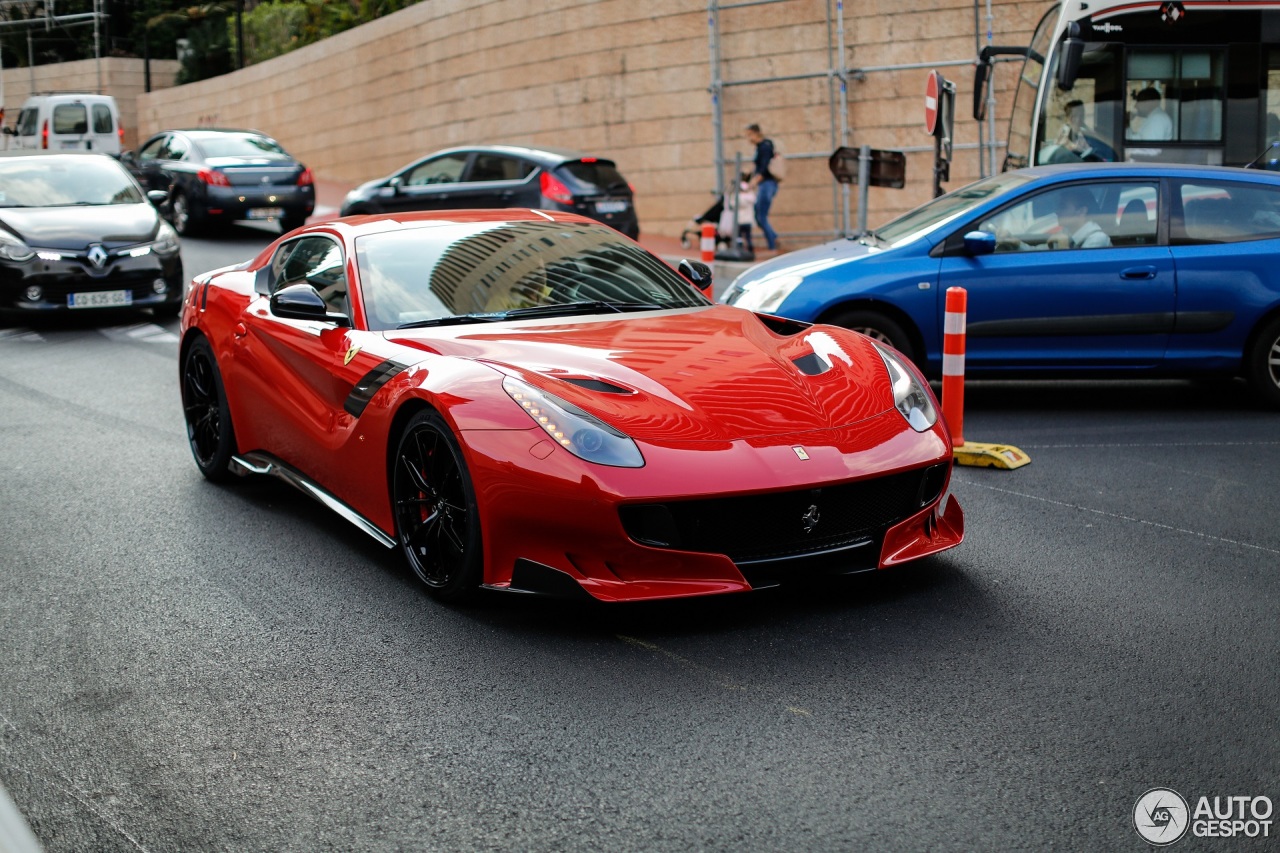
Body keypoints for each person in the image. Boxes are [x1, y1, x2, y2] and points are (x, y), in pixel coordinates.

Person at [744, 123, 780, 253]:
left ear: (755, 133)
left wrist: (754, 181)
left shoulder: (765, 146)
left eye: (749, 135)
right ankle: (773, 238)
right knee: (758, 215)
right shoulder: (761, 147)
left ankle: (772, 246)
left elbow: (764, 168)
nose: (748, 138)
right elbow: (757, 165)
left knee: (761, 216)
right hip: (765, 184)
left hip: (767, 184)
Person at [718, 172, 756, 253]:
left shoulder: (737, 194)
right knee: (748, 236)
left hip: (739, 220)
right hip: (748, 220)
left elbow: (732, 204)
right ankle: (750, 249)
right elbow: (752, 200)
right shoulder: (750, 193)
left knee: (739, 237)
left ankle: (740, 249)